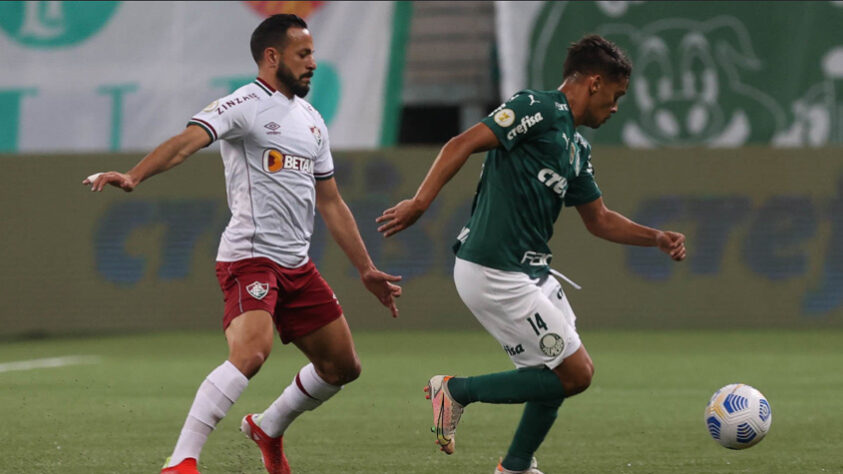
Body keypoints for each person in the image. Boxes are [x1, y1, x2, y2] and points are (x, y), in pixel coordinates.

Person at [83, 14, 402, 474]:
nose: (313, 62)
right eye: (303, 54)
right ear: (272, 57)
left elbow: (331, 202)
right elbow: (186, 142)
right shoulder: (243, 104)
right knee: (252, 352)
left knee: (342, 368)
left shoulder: (312, 120)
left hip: (297, 265)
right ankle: (181, 461)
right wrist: (135, 175)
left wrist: (367, 268)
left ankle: (267, 427)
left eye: (312, 53)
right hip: (250, 257)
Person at [376, 35, 686, 474]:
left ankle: (517, 465)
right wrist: (419, 203)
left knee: (560, 373)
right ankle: (456, 391)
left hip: (532, 272)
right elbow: (460, 143)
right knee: (575, 373)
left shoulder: (577, 148)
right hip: (492, 268)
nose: (616, 108)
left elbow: (598, 219)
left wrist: (655, 237)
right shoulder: (536, 108)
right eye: (616, 96)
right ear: (594, 83)